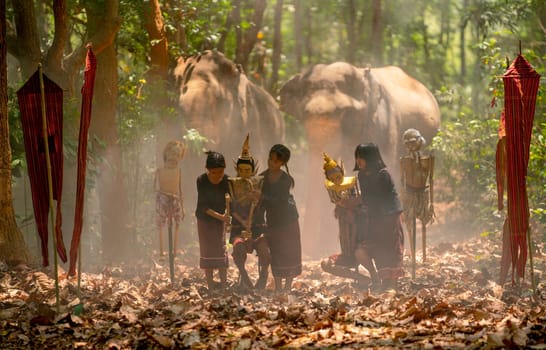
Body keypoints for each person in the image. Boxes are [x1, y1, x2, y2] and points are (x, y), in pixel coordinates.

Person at [353, 143, 404, 290]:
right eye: (356, 157)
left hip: (389, 217)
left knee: (391, 248)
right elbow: (367, 198)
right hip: (374, 218)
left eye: (361, 157)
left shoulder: (383, 174)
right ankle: (381, 280)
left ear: (370, 158)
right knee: (377, 248)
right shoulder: (361, 175)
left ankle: (392, 283)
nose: (358, 161)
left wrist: (359, 201)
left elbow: (378, 197)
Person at [320, 153, 370, 286]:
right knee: (326, 264)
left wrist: (354, 208)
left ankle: (375, 279)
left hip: (364, 249)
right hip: (348, 255)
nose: (336, 180)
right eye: (332, 178)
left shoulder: (362, 210)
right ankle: (362, 278)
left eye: (338, 176)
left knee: (361, 253)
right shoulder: (340, 211)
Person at [228, 134, 270, 290]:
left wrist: (258, 199)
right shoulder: (232, 185)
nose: (245, 172)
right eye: (242, 169)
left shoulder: (260, 184)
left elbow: (265, 204)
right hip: (239, 228)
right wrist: (243, 221)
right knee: (238, 249)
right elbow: (231, 208)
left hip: (258, 228)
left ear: (253, 170)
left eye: (248, 169)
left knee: (264, 250)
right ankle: (244, 276)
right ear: (237, 170)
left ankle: (264, 275)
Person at [259, 144, 302, 291]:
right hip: (273, 220)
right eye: (270, 159)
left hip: (288, 219)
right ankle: (278, 287)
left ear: (282, 163)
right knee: (276, 251)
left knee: (290, 252)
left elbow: (280, 201)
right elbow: (260, 204)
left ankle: (288, 287)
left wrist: (261, 197)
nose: (271, 163)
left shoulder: (286, 180)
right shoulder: (261, 178)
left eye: (275, 161)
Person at [195, 151, 231, 290]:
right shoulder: (201, 180)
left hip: (220, 220)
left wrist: (227, 216)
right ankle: (210, 285)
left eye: (221, 171)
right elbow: (203, 206)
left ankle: (223, 285)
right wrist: (221, 217)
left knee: (221, 249)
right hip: (205, 220)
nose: (218, 175)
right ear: (208, 169)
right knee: (207, 250)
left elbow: (230, 201)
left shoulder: (227, 181)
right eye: (214, 172)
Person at [400, 128, 435, 266]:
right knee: (410, 224)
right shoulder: (404, 161)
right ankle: (413, 256)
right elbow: (402, 181)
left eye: (413, 142)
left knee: (424, 223)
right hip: (409, 195)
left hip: (423, 194)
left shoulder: (428, 160)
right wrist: (403, 200)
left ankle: (424, 256)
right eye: (407, 143)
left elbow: (431, 179)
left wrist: (431, 201)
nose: (410, 146)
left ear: (420, 142)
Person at [155, 140, 185, 257]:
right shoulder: (160, 171)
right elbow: (155, 187)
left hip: (175, 198)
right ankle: (162, 251)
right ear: (166, 154)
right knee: (160, 223)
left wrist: (183, 207)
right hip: (162, 197)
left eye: (177, 155)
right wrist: (159, 192)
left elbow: (180, 189)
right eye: (172, 154)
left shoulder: (178, 171)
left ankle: (175, 250)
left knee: (177, 222)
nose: (174, 158)